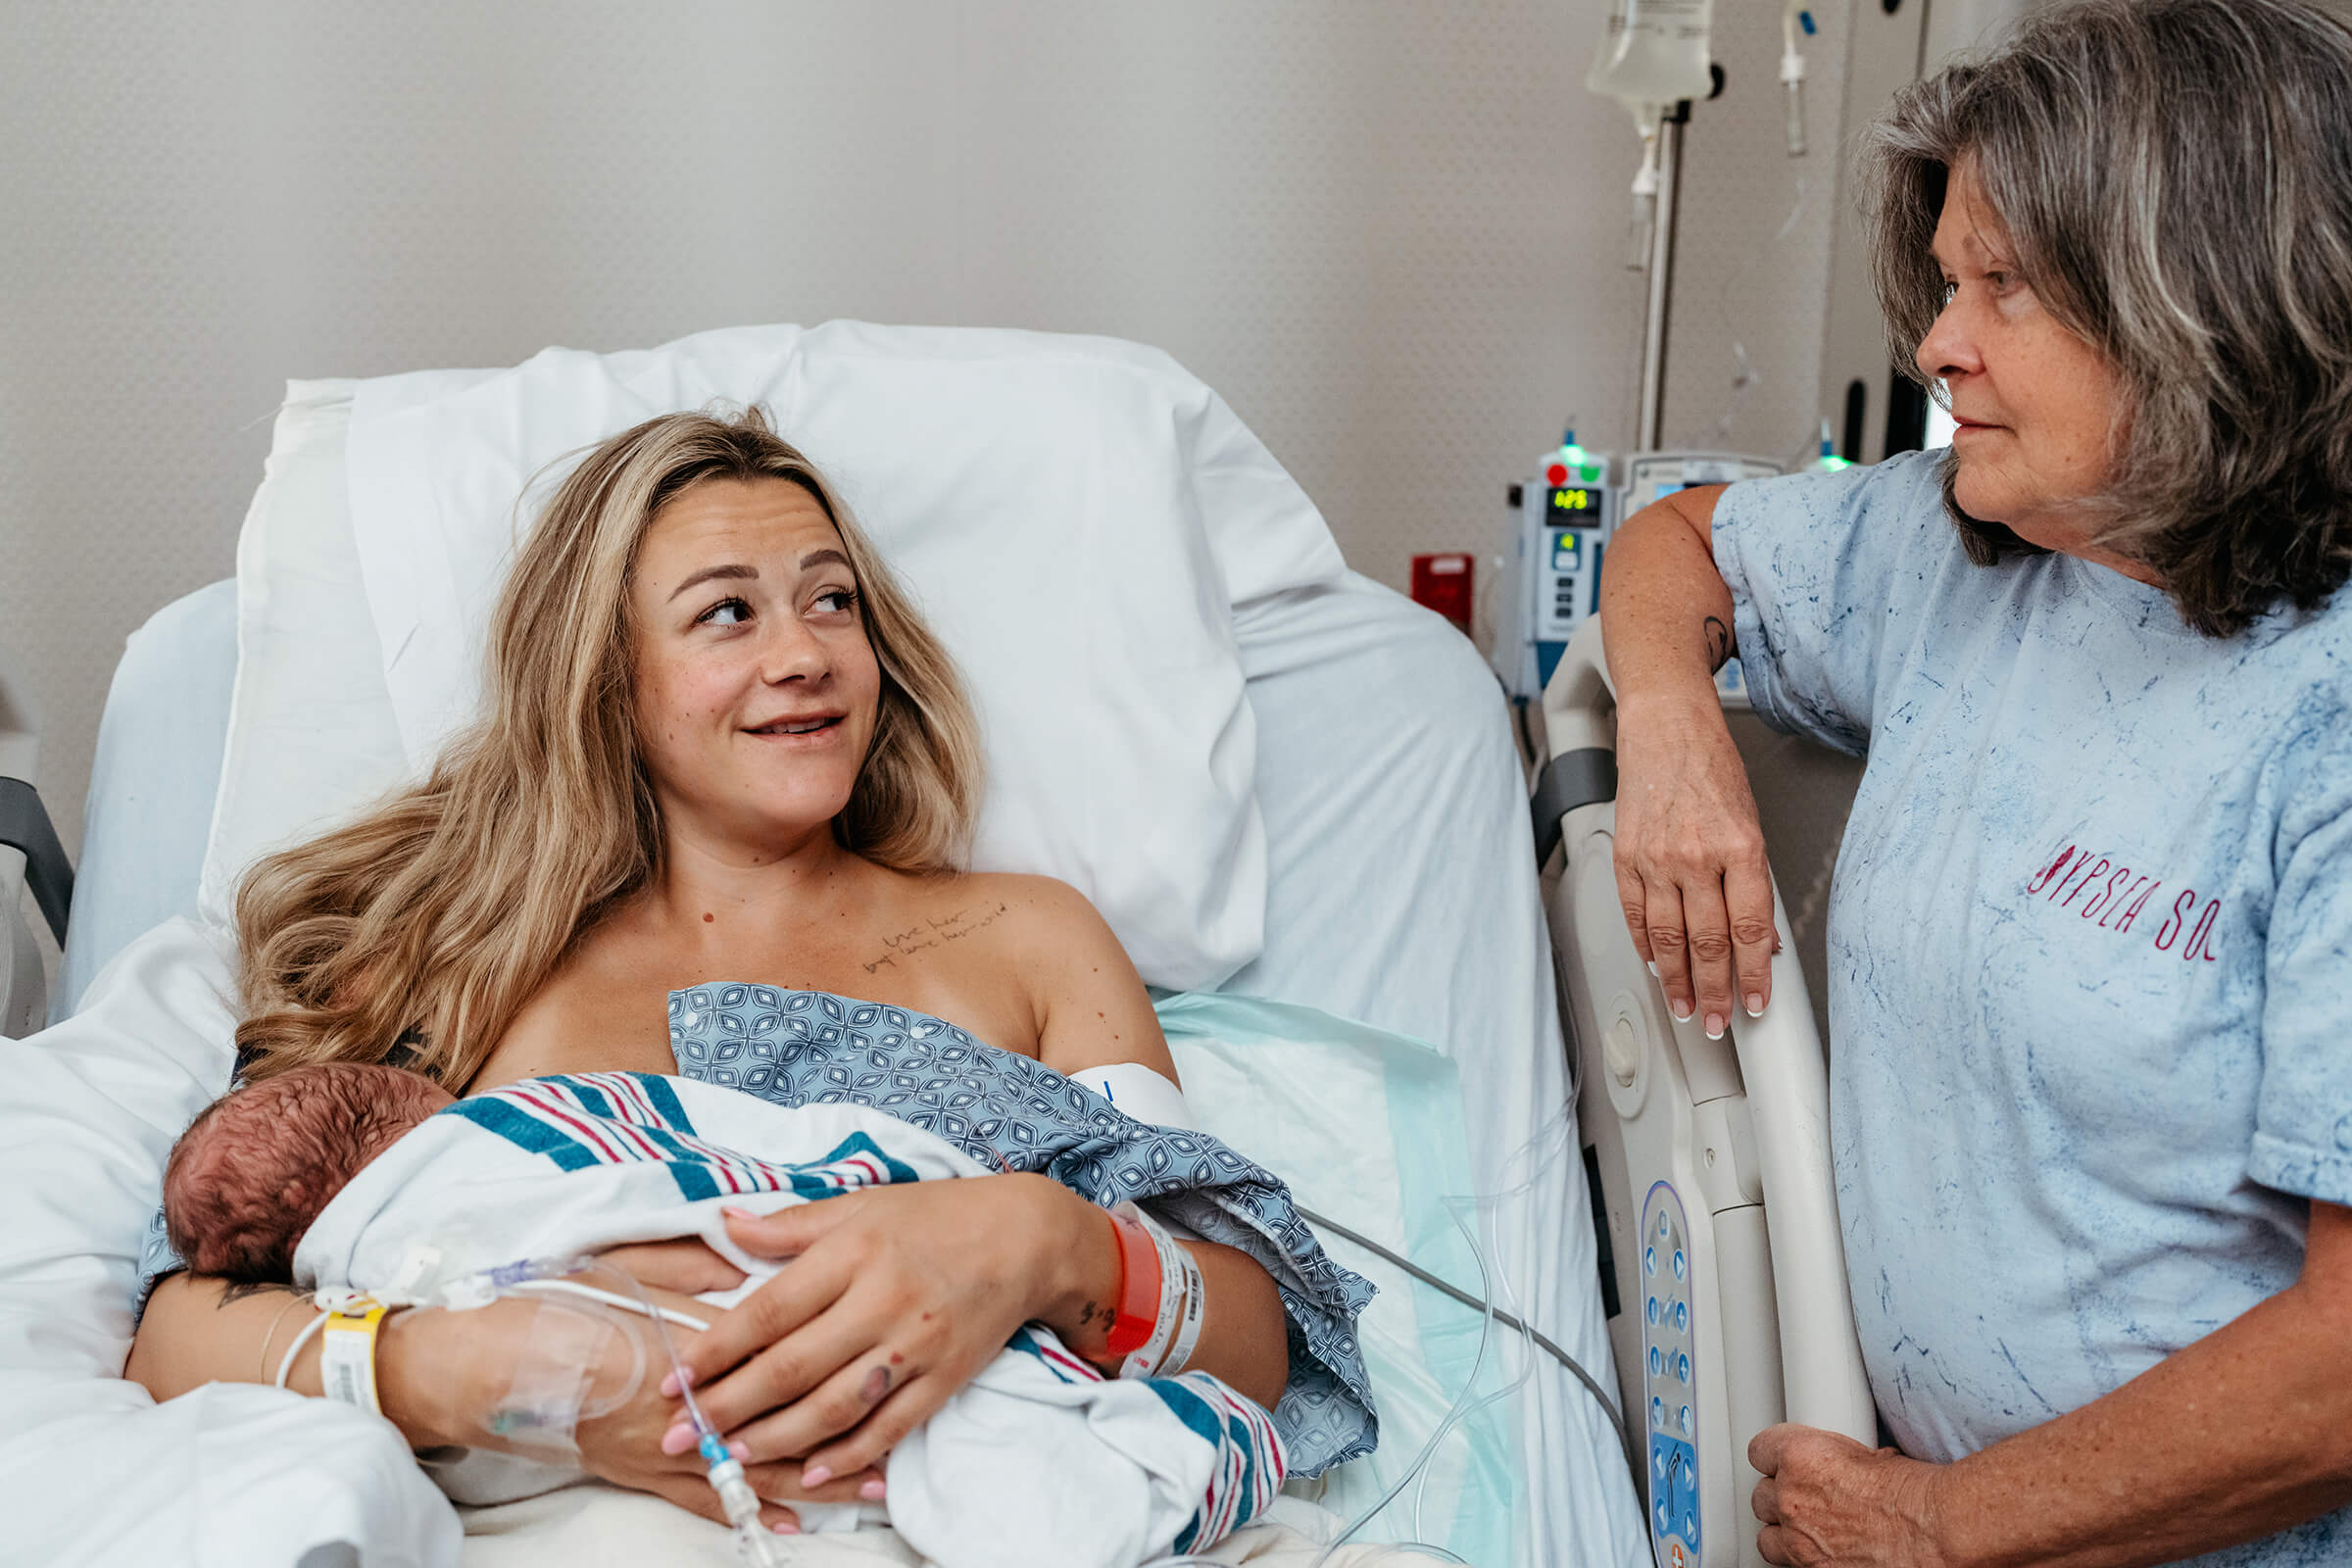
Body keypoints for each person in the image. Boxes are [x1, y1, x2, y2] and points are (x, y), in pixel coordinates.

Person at [125, 407, 1370, 1543]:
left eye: (832, 602)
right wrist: (499, 1378)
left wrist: (1046, 1240)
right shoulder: (457, 957)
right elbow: (177, 1333)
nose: (806, 655)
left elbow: (1254, 1350)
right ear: (608, 678)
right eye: (729, 612)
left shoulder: (1026, 936)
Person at [1599, 2, 2352, 1562]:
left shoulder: (2322, 720)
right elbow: (1670, 544)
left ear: (2202, 300)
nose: (1940, 345)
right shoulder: (1956, 547)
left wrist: (1947, 1526)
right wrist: (1671, 730)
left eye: (2004, 287)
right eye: (1949, 283)